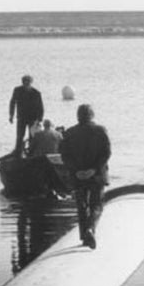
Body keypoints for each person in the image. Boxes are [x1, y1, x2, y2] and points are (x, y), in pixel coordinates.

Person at [59, 103, 110, 249]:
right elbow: (106, 153)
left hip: (78, 176)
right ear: (92, 115)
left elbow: (64, 155)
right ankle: (90, 229)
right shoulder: (101, 130)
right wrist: (94, 169)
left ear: (78, 116)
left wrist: (76, 170)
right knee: (97, 205)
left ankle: (84, 236)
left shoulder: (69, 133)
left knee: (81, 206)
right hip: (97, 174)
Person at [9, 75, 44, 156]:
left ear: (31, 83)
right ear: (22, 82)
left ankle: (31, 153)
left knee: (32, 136)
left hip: (33, 118)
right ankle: (18, 152)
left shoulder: (36, 93)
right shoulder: (17, 90)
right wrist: (11, 115)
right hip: (21, 117)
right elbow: (12, 103)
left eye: (28, 82)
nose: (26, 84)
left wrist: (39, 119)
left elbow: (40, 107)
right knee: (20, 136)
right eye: (25, 82)